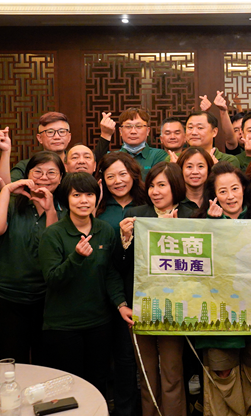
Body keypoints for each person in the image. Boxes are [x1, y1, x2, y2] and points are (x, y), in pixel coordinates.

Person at [39, 172, 133, 396]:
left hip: (99, 322)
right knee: (68, 386)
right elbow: (53, 279)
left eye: (89, 195)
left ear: (97, 198)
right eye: (76, 195)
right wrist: (77, 257)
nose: (84, 200)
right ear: (66, 199)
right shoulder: (53, 234)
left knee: (98, 382)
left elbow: (110, 273)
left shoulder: (105, 230)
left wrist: (121, 304)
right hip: (63, 326)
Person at [119, 162, 194, 416]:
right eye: (151, 185)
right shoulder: (136, 214)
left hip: (177, 307)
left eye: (162, 185)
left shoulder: (191, 215)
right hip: (141, 306)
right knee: (147, 374)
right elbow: (121, 266)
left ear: (176, 186)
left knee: (172, 372)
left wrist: (175, 231)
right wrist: (126, 240)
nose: (155, 191)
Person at [197, 162, 251, 416]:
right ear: (213, 196)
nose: (230, 196)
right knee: (222, 371)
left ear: (244, 189)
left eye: (235, 189)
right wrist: (214, 226)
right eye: (223, 191)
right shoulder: (200, 223)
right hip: (219, 314)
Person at [0, 151, 66, 364]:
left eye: (51, 173)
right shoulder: (12, 203)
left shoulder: (65, 207)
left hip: (47, 299)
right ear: (27, 175)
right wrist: (7, 189)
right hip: (7, 297)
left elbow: (54, 249)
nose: (44, 178)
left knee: (47, 363)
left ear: (61, 177)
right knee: (11, 362)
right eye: (37, 172)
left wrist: (50, 210)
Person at [94, 152, 148, 416]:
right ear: (102, 180)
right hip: (107, 293)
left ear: (133, 174)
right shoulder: (99, 209)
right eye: (110, 176)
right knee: (121, 357)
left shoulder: (147, 203)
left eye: (123, 174)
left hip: (143, 289)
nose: (118, 181)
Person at [94, 108, 169, 180]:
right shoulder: (112, 157)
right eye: (128, 126)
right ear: (120, 131)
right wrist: (106, 135)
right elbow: (96, 169)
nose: (133, 131)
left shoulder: (159, 155)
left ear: (148, 131)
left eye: (139, 126)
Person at [0, 112, 72, 183]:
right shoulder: (27, 165)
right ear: (39, 138)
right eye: (50, 132)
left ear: (69, 137)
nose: (57, 137)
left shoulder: (76, 164)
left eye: (62, 131)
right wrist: (5, 151)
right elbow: (4, 187)